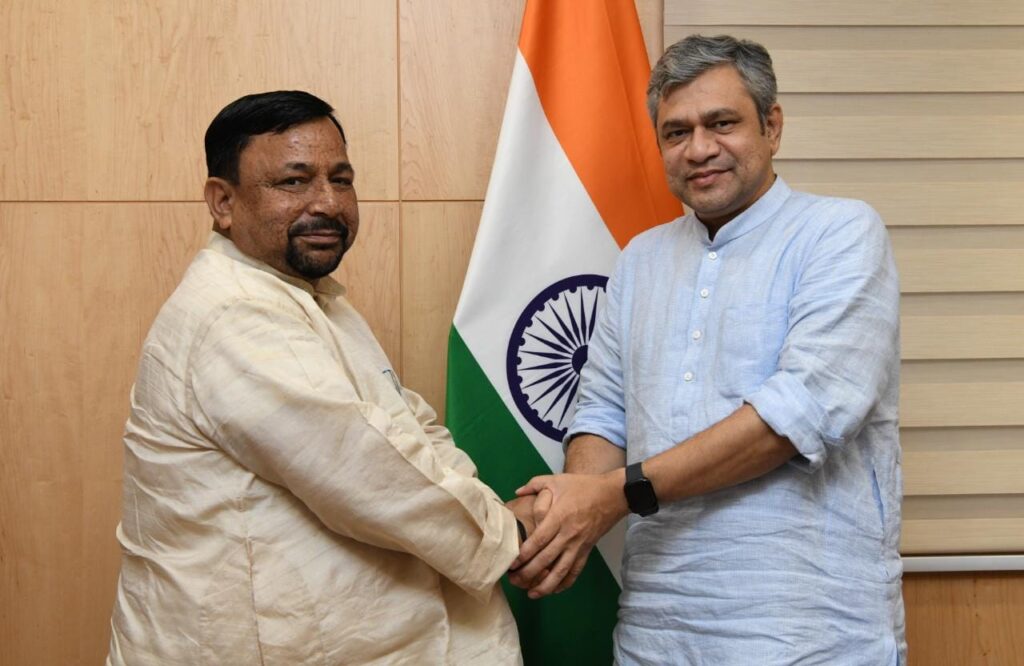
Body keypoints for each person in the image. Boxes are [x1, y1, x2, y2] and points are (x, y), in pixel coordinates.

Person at [510, 35, 906, 664]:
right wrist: (564, 513)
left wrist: (613, 496)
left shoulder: (838, 233)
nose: (698, 149)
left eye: (722, 123)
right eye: (676, 132)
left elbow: (794, 417)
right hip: (656, 628)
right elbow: (602, 413)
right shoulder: (641, 259)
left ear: (772, 127)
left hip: (805, 627)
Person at [107, 90, 535, 665]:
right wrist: (510, 534)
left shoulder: (313, 298)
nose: (328, 203)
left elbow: (411, 428)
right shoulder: (231, 314)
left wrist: (495, 519)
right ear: (223, 202)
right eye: (294, 181)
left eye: (342, 179)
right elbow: (368, 471)